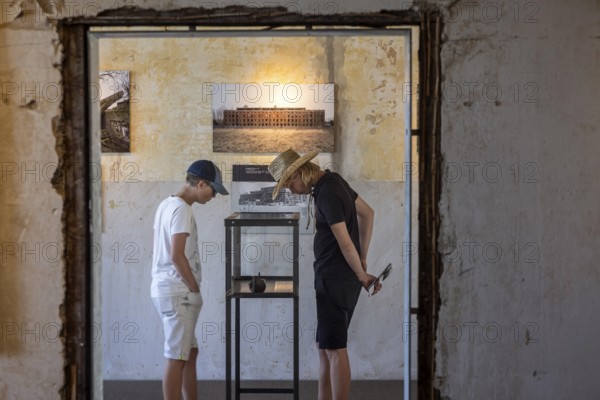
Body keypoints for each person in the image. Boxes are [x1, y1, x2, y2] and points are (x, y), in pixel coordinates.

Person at [268, 149, 381, 400]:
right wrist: (361, 261)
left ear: (298, 173)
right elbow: (368, 213)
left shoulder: (327, 193)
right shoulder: (333, 181)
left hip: (335, 280)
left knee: (334, 349)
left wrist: (362, 273)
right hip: (340, 278)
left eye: (289, 184)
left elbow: (345, 243)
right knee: (326, 347)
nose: (290, 190)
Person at [150, 160, 228, 400]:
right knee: (176, 356)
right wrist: (194, 289)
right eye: (213, 189)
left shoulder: (167, 204)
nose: (213, 195)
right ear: (201, 183)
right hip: (178, 291)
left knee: (189, 352)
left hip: (167, 288)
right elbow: (176, 255)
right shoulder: (182, 209)